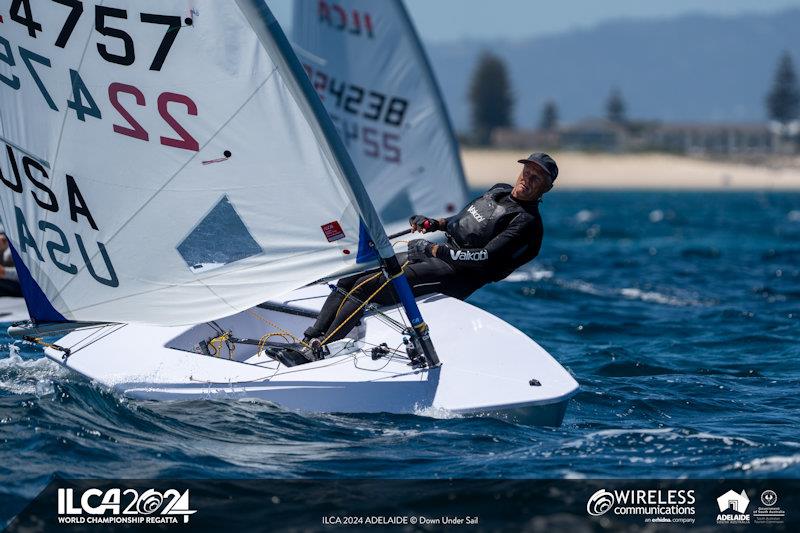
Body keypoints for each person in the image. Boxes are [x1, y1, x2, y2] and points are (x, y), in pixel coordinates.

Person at [298, 152, 558, 361]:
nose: (528, 179)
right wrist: (434, 224)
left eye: (537, 178)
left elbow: (484, 257)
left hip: (455, 275)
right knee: (353, 276)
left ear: (545, 188)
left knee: (370, 287)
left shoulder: (526, 223)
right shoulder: (499, 190)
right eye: (527, 171)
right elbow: (463, 221)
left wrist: (434, 250)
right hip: (437, 256)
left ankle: (321, 349)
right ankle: (310, 339)